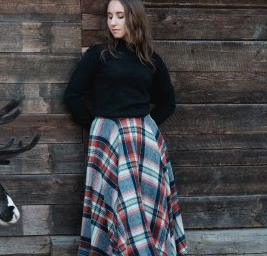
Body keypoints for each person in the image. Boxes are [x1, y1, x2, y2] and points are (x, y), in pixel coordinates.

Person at [63, 0, 188, 255]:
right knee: (113, 202)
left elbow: (167, 102)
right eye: (110, 16)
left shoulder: (151, 59)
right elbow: (72, 96)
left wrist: (145, 129)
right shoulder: (98, 55)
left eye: (120, 16)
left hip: (143, 146)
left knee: (147, 203)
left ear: (134, 18)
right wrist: (100, 128)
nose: (113, 22)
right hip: (107, 141)